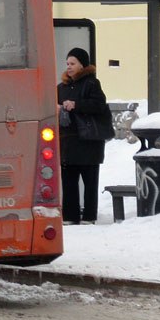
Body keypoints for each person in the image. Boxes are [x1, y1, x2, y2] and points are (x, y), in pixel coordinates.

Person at [58, 46, 110, 224]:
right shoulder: (61, 87)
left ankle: (89, 216)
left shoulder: (91, 84)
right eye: (67, 63)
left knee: (90, 181)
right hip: (68, 141)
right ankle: (70, 216)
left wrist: (76, 105)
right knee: (69, 181)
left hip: (88, 142)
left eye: (73, 63)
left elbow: (99, 106)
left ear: (82, 65)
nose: (69, 67)